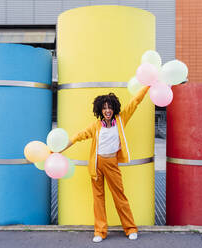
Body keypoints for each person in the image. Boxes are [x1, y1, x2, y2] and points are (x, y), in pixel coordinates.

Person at [64, 85, 150, 243]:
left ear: (114, 108)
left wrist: (148, 85)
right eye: (104, 108)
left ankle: (130, 228)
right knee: (98, 199)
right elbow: (78, 136)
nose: (107, 110)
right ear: (100, 110)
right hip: (96, 165)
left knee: (120, 197)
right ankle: (100, 231)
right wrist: (60, 149)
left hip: (111, 163)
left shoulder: (121, 120)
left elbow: (135, 102)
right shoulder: (96, 126)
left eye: (110, 107)